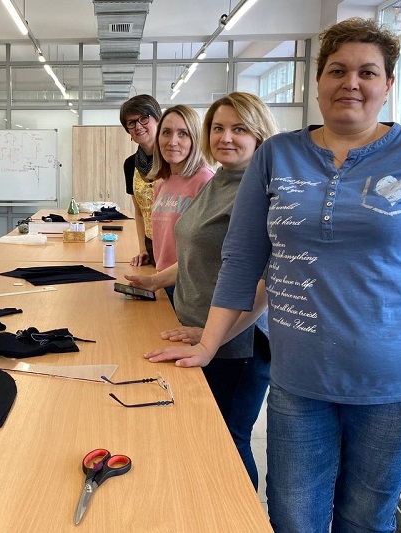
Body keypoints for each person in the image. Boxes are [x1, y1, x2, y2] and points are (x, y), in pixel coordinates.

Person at [145, 18, 401, 532]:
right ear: (318, 81)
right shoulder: (278, 155)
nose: (350, 83)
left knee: (364, 517)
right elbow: (242, 259)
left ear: (388, 84)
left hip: (400, 381)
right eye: (337, 70)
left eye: (367, 72)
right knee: (293, 514)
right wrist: (207, 344)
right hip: (300, 375)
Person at [126, 92, 277, 489]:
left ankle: (238, 515)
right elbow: (199, 253)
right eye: (218, 128)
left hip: (236, 343)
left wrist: (212, 337)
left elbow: (265, 283)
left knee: (228, 441)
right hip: (200, 332)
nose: (226, 137)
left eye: (239, 129)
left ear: (259, 135)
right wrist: (155, 280)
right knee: (202, 437)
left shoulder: (262, 191)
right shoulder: (220, 181)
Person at [146, 105, 214, 302]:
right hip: (163, 278)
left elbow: (205, 250)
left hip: (189, 285)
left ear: (195, 139)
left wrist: (158, 280)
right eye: (166, 132)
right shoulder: (162, 182)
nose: (172, 141)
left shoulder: (205, 180)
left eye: (183, 134)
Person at [119, 95, 162, 267]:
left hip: (178, 247)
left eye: (144, 118)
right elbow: (139, 212)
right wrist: (143, 249)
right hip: (151, 246)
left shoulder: (173, 158)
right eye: (131, 123)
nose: (138, 126)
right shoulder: (131, 164)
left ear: (158, 119)